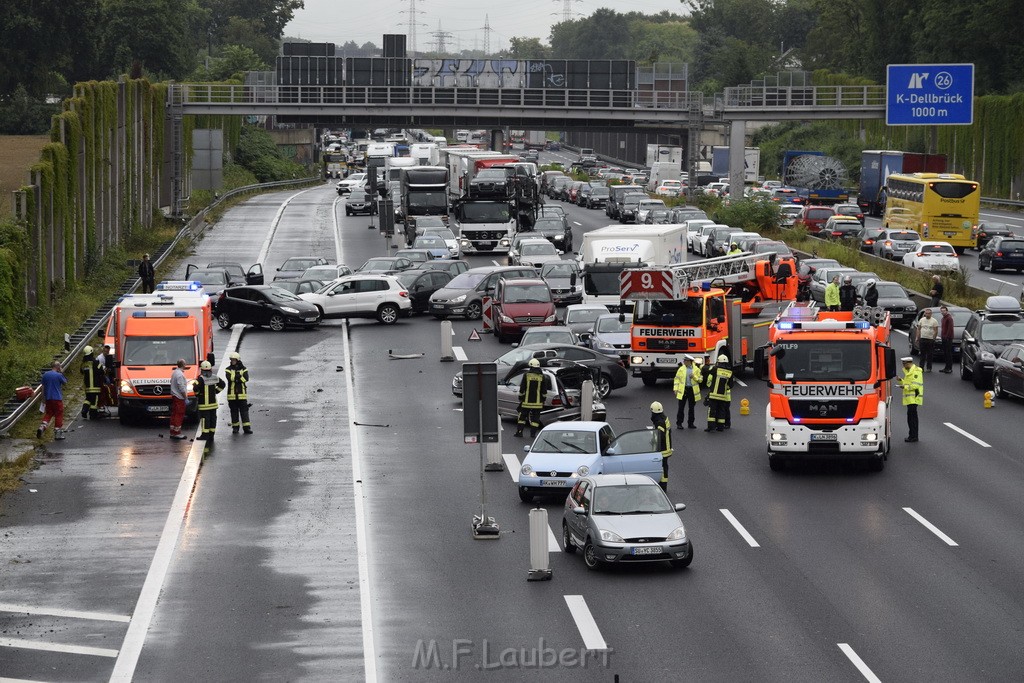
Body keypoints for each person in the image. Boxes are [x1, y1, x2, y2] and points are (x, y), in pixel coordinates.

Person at [514, 358, 548, 438]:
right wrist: (543, 400)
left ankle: (519, 432)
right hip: (538, 403)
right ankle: (533, 434)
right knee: (535, 420)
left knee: (522, 418)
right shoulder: (542, 376)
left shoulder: (526, 375)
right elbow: (544, 391)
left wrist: (521, 397)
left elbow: (522, 388)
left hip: (526, 402)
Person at [193, 360, 225, 442]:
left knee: (205, 420)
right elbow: (223, 384)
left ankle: (204, 435)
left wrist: (198, 394)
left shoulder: (200, 379)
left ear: (202, 370)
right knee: (212, 419)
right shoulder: (214, 377)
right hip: (213, 404)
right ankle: (211, 435)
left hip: (204, 405)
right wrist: (216, 391)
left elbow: (195, 388)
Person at [896, 356, 923, 442]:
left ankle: (914, 436)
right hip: (910, 399)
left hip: (914, 398)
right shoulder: (908, 371)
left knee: (912, 418)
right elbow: (908, 383)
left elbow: (916, 385)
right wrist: (901, 381)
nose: (903, 365)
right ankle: (912, 435)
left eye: (904, 363)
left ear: (909, 363)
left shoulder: (916, 372)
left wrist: (904, 387)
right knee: (910, 418)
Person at [38, 362, 67, 440]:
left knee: (49, 413)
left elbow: (42, 387)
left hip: (48, 398)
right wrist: (61, 372)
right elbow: (65, 382)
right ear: (57, 367)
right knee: (58, 414)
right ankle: (58, 433)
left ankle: (42, 426)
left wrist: (43, 398)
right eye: (60, 365)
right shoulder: (59, 375)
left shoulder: (45, 375)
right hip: (57, 398)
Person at [704, 354, 734, 432]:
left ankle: (711, 427)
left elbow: (707, 370)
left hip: (713, 395)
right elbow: (730, 385)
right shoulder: (730, 372)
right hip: (723, 396)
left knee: (712, 411)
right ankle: (720, 427)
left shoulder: (715, 369)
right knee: (721, 411)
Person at [225, 352, 252, 435]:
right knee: (234, 412)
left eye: (234, 360)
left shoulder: (244, 369)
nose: (232, 361)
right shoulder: (228, 369)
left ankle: (246, 428)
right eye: (231, 360)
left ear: (237, 360)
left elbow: (246, 379)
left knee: (244, 412)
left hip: (242, 395)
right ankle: (235, 428)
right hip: (232, 396)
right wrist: (239, 376)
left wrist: (237, 378)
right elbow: (230, 378)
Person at [673, 355, 702, 429]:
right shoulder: (681, 369)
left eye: (686, 361)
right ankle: (679, 423)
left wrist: (694, 377)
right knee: (681, 408)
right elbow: (677, 379)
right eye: (684, 360)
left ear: (690, 362)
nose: (684, 362)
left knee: (691, 408)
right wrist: (675, 389)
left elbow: (700, 380)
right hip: (683, 390)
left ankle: (691, 423)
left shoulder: (696, 369)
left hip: (692, 390)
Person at [650, 401, 672, 490]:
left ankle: (663, 486)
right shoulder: (664, 418)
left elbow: (660, 436)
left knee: (662, 467)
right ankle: (663, 484)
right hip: (667, 446)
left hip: (662, 448)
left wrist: (653, 442)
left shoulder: (659, 422)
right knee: (664, 466)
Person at [80, 346, 102, 419]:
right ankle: (93, 415)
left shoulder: (83, 364)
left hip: (87, 386)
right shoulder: (95, 362)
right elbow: (100, 371)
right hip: (95, 386)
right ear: (91, 352)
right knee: (94, 401)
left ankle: (84, 410)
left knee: (88, 399)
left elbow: (82, 372)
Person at [169, 359, 189, 440]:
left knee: (174, 414)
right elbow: (182, 388)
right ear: (183, 365)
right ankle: (177, 432)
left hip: (174, 396)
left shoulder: (175, 372)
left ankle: (173, 431)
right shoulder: (180, 375)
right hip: (179, 397)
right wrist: (186, 398)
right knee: (179, 414)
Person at [939, 306, 955, 373]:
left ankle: (949, 368)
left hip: (948, 338)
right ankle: (946, 367)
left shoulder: (949, 318)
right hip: (943, 337)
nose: (943, 312)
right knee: (945, 353)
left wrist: (947, 337)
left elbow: (950, 328)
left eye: (944, 311)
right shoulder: (943, 318)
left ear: (947, 311)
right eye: (942, 311)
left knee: (948, 353)